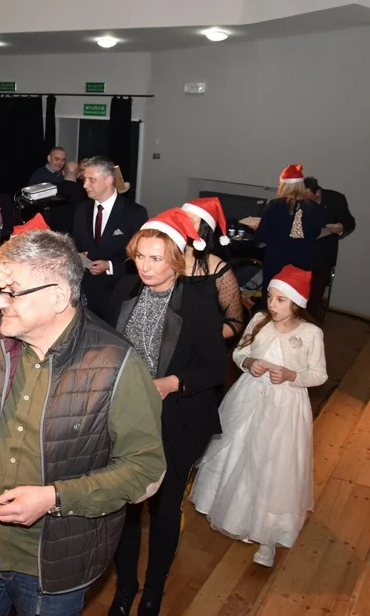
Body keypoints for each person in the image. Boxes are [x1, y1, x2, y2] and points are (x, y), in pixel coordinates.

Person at [0, 229, 165, 616]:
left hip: (53, 568)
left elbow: (146, 473)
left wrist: (54, 498)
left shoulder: (116, 363)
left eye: (12, 292)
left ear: (58, 297)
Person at [105, 209, 227, 616]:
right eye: (140, 256)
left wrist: (172, 382)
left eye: (156, 258)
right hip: (127, 418)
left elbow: (215, 368)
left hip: (178, 420)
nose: (146, 266)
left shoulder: (199, 301)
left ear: (175, 259)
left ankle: (153, 591)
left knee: (164, 510)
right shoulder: (125, 288)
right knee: (127, 509)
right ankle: (125, 587)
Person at [190, 265, 327, 568]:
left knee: (274, 463)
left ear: (297, 303)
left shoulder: (310, 334)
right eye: (271, 297)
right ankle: (230, 510)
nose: (272, 305)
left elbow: (319, 374)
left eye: (281, 300)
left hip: (285, 406)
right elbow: (239, 352)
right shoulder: (259, 320)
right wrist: (249, 363)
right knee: (239, 450)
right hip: (249, 397)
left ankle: (268, 537)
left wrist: (292, 375)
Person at [72, 156, 149, 318]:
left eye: (91, 180)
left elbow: (140, 257)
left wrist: (110, 265)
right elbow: (76, 242)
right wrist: (78, 255)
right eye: (84, 179)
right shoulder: (81, 209)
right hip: (85, 293)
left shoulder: (134, 213)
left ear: (108, 180)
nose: (85, 185)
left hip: (118, 293)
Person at [247, 164, 322, 300]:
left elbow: (262, 236)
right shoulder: (315, 208)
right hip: (303, 262)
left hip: (277, 261)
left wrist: (257, 228)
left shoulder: (275, 205)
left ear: (284, 186)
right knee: (296, 298)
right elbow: (316, 233)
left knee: (274, 297)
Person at [179, 197, 245, 339]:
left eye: (190, 221)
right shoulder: (164, 260)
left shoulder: (219, 270)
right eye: (181, 219)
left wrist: (203, 338)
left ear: (204, 229)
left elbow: (235, 322)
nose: (183, 224)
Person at [304, 176, 356, 318]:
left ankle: (310, 320)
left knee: (316, 289)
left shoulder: (336, 199)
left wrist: (341, 227)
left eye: (309, 198)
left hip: (323, 252)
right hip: (301, 250)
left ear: (318, 192)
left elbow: (350, 223)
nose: (306, 201)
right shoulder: (297, 198)